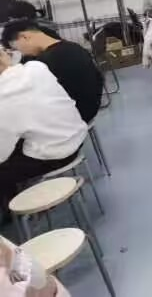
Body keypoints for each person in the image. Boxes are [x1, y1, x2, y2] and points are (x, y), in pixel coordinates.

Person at [0, 51, 88, 208]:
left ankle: (14, 212)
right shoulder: (36, 67)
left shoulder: (4, 101)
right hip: (76, 135)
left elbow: (2, 154)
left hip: (54, 155)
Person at [2, 20, 103, 124]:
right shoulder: (74, 47)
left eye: (16, 48)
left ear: (24, 37)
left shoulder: (44, 63)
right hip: (89, 110)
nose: (22, 53)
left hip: (71, 119)